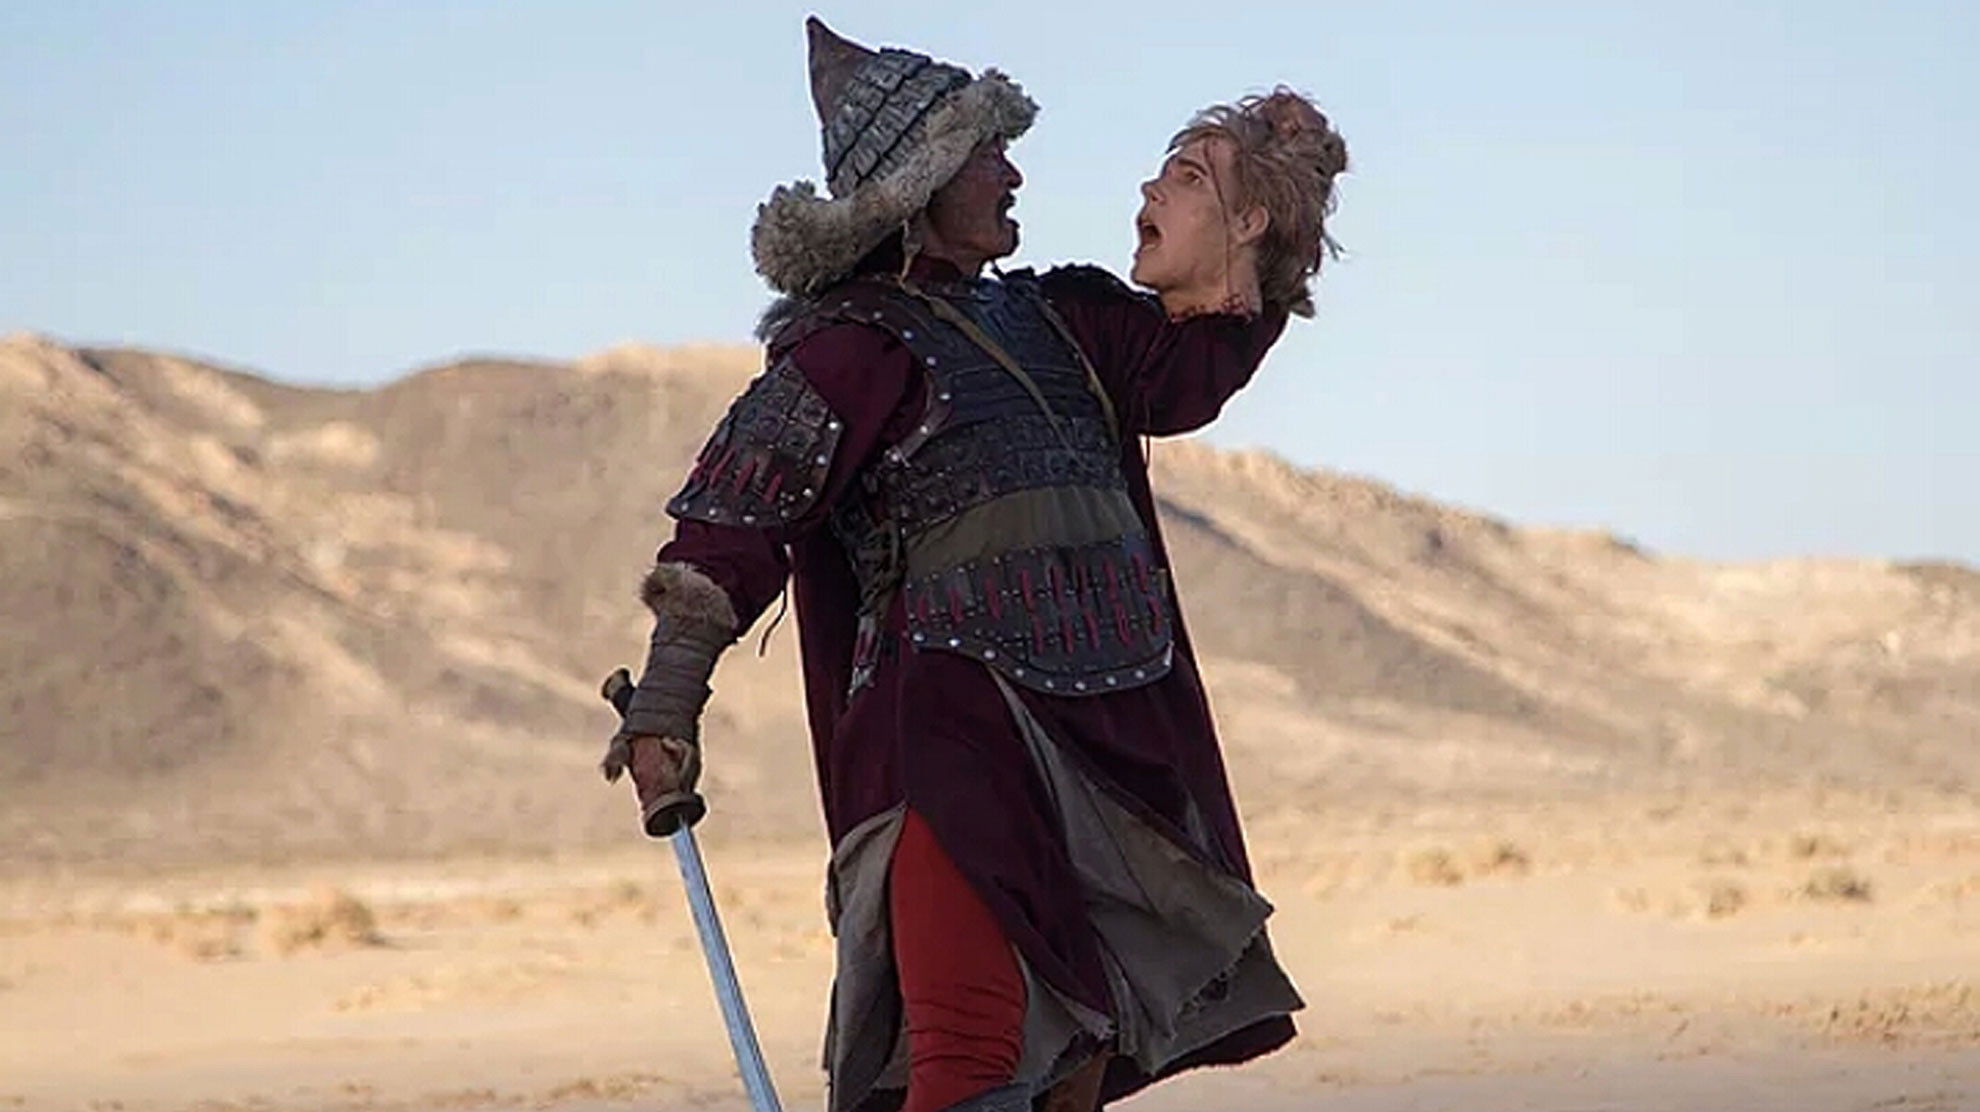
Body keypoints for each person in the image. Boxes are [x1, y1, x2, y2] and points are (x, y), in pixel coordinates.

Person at [601, 19, 1346, 1112]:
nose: (1013, 173)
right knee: (972, 1057)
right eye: (988, 152)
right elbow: (732, 521)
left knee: (1074, 1067)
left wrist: (1271, 198)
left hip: (1102, 743)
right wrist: (667, 702)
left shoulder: (1065, 317)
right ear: (923, 183)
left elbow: (1189, 370)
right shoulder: (849, 348)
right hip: (950, 748)